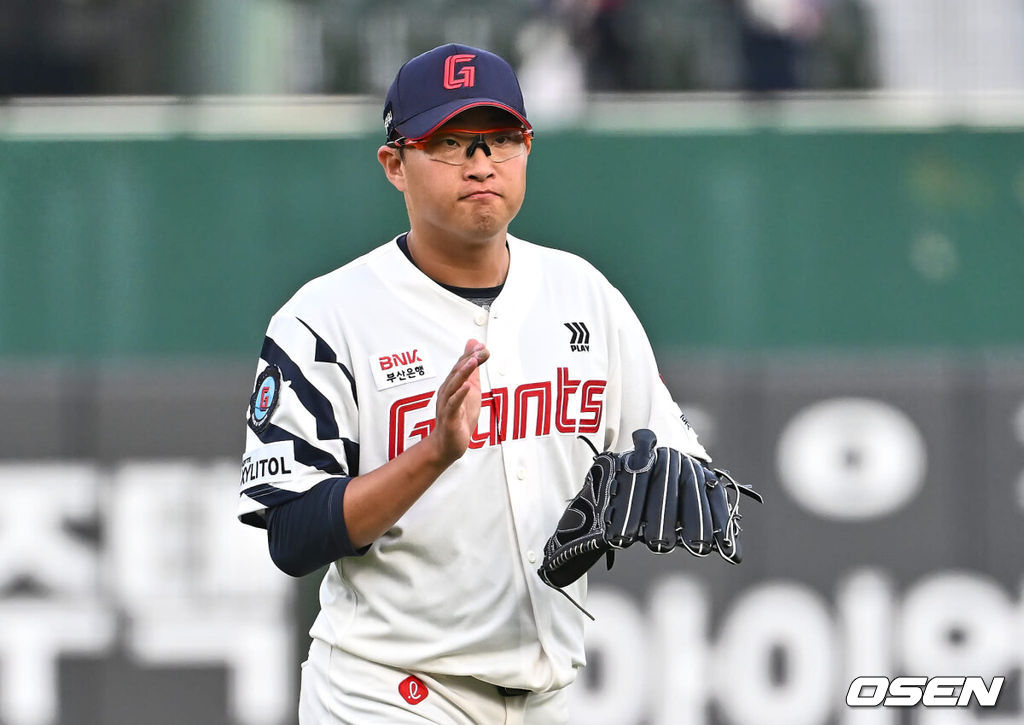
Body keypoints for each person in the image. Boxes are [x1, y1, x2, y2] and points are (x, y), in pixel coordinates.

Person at [237, 43, 713, 724]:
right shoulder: (326, 319)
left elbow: (666, 452)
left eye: (499, 140)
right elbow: (293, 535)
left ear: (526, 150)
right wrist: (431, 455)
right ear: (394, 164)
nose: (481, 163)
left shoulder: (584, 294)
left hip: (550, 695)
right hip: (389, 692)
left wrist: (656, 484)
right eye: (450, 143)